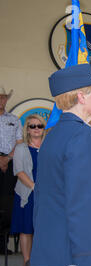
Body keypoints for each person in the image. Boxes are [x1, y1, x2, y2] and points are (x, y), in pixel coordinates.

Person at [30, 64, 91, 266]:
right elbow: (82, 204)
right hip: (74, 260)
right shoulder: (82, 135)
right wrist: (85, 263)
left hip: (50, 256)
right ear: (80, 96)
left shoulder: (52, 136)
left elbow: (43, 200)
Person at [10, 114, 46, 266]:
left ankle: (41, 262)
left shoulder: (49, 146)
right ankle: (27, 262)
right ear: (27, 129)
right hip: (27, 193)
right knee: (27, 230)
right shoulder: (21, 148)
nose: (36, 129)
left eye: (40, 126)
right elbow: (19, 171)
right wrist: (34, 187)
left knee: (43, 229)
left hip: (47, 194)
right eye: (32, 126)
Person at [0, 86, 22, 255]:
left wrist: (6, 159)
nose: (1, 100)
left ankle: (3, 245)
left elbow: (19, 142)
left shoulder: (14, 119)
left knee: (7, 203)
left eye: (3, 97)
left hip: (10, 163)